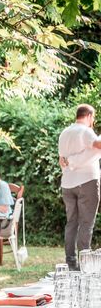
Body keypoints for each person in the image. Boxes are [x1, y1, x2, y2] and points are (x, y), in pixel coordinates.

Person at [58, 104, 101, 270]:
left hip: (67, 184)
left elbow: (62, 160)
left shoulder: (64, 133)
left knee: (72, 223)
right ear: (89, 116)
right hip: (87, 181)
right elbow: (98, 145)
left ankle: (71, 263)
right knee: (86, 223)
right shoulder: (85, 131)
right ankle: (85, 265)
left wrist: (72, 161)